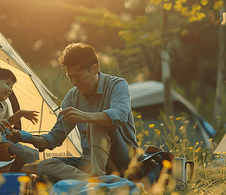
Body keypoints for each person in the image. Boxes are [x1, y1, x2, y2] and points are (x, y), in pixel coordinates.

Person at [8, 42, 140, 183]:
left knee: (95, 123)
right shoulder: (72, 97)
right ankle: (96, 183)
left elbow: (119, 116)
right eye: (69, 77)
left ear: (94, 69)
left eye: (77, 76)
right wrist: (25, 137)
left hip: (124, 159)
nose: (73, 82)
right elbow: (54, 139)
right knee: (45, 165)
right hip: (89, 162)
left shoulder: (117, 84)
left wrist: (86, 117)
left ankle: (97, 180)